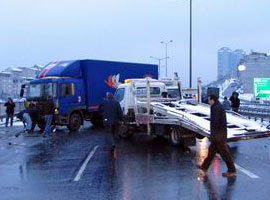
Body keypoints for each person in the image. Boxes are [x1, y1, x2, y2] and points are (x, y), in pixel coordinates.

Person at [198, 95, 236, 178]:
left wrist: (213, 136)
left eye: (209, 100)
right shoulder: (216, 106)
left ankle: (232, 170)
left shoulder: (216, 108)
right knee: (211, 153)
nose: (208, 101)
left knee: (225, 154)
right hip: (218, 135)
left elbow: (215, 123)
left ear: (212, 100)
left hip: (219, 136)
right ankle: (203, 168)